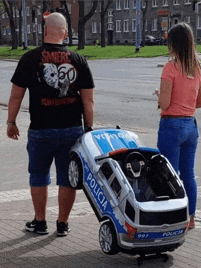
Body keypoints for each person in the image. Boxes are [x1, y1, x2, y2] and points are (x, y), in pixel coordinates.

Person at [7, 12, 94, 236]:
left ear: (45, 31)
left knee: (38, 176)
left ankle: (40, 222)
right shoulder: (78, 60)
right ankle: (63, 224)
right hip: (72, 131)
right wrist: (89, 130)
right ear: (65, 33)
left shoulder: (29, 58)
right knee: (68, 178)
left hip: (40, 130)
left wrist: (11, 122)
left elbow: (16, 96)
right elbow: (88, 100)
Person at [155, 23, 201, 229]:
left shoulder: (171, 67)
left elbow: (165, 103)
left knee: (169, 174)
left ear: (173, 44)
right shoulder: (197, 67)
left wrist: (159, 97)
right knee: (188, 175)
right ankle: (190, 218)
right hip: (190, 126)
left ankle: (172, 218)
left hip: (172, 125)